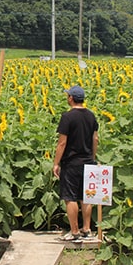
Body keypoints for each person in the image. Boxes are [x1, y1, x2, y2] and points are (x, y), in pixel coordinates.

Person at [52, 85, 99, 242]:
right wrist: (91, 158)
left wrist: (56, 163)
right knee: (86, 196)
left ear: (71, 98)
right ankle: (87, 229)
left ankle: (75, 232)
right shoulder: (91, 116)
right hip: (88, 161)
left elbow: (62, 143)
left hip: (72, 163)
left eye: (68, 96)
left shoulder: (68, 117)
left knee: (70, 197)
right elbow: (95, 139)